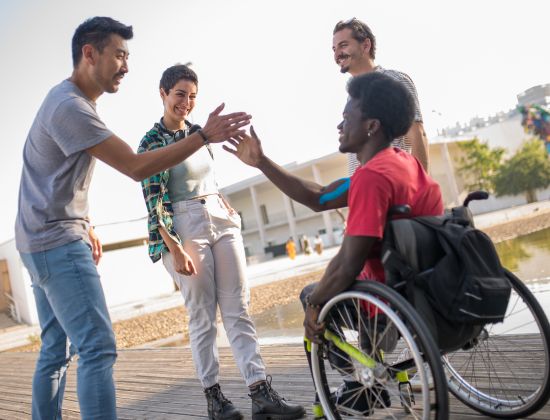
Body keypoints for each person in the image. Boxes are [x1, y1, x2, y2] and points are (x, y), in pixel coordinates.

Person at [14, 17, 252, 420]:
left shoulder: (67, 101)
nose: (126, 66)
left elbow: (52, 176)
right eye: (120, 55)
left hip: (37, 238)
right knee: (97, 348)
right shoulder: (71, 107)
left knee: (55, 350)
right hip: (56, 242)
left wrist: (86, 222)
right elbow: (136, 167)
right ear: (90, 54)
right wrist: (202, 136)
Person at [226, 72, 443, 416]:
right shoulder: (405, 163)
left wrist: (315, 305)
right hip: (427, 293)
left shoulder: (372, 178)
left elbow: (347, 264)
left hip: (391, 303)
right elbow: (320, 196)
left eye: (346, 117)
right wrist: (262, 162)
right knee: (329, 289)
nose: (339, 125)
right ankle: (364, 379)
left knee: (313, 294)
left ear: (371, 126)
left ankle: (359, 382)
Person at [137, 64, 305, 420]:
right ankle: (215, 399)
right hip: (183, 226)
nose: (186, 103)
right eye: (180, 94)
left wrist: (222, 202)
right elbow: (154, 201)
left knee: (238, 309)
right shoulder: (151, 143)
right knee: (202, 316)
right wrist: (174, 246)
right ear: (163, 93)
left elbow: (205, 179)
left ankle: (260, 390)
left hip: (220, 218)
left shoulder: (200, 133)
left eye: (193, 96)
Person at [332, 17, 429, 173]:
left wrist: (420, 190)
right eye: (334, 49)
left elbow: (417, 134)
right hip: (370, 190)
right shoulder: (352, 98)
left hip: (396, 186)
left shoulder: (394, 81)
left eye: (343, 45)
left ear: (365, 45)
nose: (337, 54)